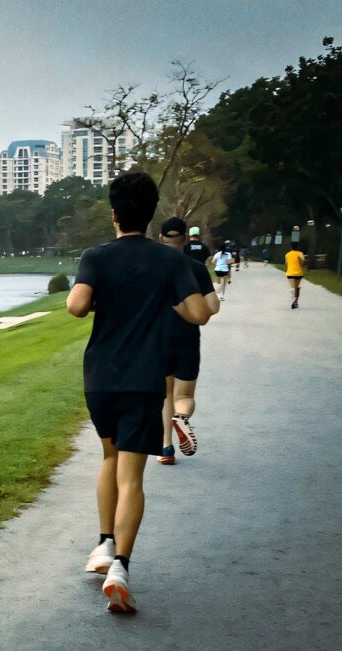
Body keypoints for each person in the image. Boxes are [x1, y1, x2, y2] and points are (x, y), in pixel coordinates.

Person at [67, 173, 211, 613]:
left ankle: (103, 544)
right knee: (132, 475)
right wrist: (164, 296)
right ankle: (120, 568)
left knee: (108, 458)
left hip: (101, 377)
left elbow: (75, 306)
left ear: (113, 213)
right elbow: (200, 313)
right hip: (145, 377)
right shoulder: (169, 262)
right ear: (150, 216)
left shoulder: (95, 256)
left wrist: (99, 296)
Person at [156, 218, 220, 465]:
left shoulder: (153, 267)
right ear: (184, 239)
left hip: (159, 340)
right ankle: (181, 417)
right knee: (184, 397)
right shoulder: (195, 267)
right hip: (187, 339)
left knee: (165, 396)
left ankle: (166, 448)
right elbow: (213, 306)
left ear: (161, 239)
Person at [285, 242, 306, 309]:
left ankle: (293, 301)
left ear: (291, 247)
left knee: (293, 288)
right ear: (298, 247)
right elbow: (303, 262)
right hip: (299, 273)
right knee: (297, 288)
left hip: (290, 273)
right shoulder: (300, 253)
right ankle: (296, 301)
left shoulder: (287, 254)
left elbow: (286, 264)